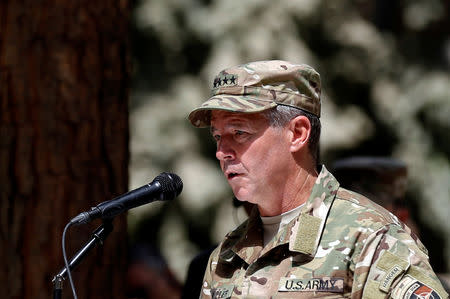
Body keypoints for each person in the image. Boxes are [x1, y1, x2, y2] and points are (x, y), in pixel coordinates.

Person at [187, 60, 448, 298]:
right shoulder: (226, 256)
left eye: (239, 132)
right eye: (218, 136)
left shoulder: (370, 238)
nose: (222, 152)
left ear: (298, 133)